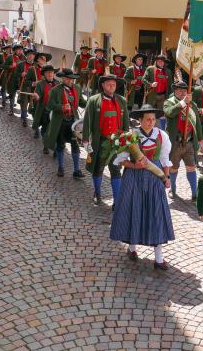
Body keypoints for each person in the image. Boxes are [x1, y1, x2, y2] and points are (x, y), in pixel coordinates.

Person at [110, 104, 174, 270]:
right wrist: (134, 165)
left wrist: (167, 177)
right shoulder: (131, 136)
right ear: (140, 120)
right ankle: (132, 248)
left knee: (156, 213)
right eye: (147, 119)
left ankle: (159, 259)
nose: (150, 122)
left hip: (154, 179)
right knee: (134, 209)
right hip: (134, 177)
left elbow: (165, 159)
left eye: (153, 119)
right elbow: (121, 161)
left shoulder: (162, 135)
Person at [82, 74, 129, 207]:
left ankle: (117, 201)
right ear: (103, 85)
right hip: (100, 142)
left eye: (113, 84)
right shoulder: (93, 100)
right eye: (108, 84)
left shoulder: (121, 100)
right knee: (98, 170)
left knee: (116, 171)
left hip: (116, 144)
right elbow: (87, 121)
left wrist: (126, 141)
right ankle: (97, 193)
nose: (111, 86)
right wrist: (85, 141)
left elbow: (125, 123)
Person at [164, 80, 203, 201]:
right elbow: (169, 113)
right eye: (180, 91)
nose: (183, 93)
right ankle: (173, 189)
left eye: (185, 91)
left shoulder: (192, 104)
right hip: (175, 142)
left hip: (189, 142)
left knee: (191, 167)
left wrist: (200, 139)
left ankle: (195, 193)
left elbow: (197, 123)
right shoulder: (169, 102)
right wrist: (182, 103)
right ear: (175, 91)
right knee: (173, 168)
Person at [44, 69, 86, 179]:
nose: (70, 81)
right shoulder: (55, 90)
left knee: (75, 145)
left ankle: (77, 170)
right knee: (61, 145)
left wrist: (90, 104)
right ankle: (61, 167)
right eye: (67, 79)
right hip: (60, 122)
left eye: (71, 79)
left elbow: (82, 102)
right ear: (62, 79)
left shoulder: (77, 88)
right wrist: (61, 107)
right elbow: (49, 105)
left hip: (73, 122)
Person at [30, 65, 58, 142]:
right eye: (47, 72)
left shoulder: (58, 83)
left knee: (54, 128)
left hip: (55, 110)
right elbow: (38, 95)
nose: (50, 74)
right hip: (44, 110)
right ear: (44, 74)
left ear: (53, 73)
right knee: (45, 128)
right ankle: (45, 143)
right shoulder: (40, 84)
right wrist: (36, 96)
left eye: (51, 72)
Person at [143, 54, 172, 127]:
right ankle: (148, 127)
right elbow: (143, 79)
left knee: (161, 113)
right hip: (152, 95)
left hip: (163, 96)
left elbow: (170, 85)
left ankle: (161, 129)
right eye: (159, 61)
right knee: (149, 112)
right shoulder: (150, 69)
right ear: (156, 61)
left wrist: (169, 97)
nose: (160, 62)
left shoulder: (168, 71)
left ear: (164, 62)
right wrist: (150, 84)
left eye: (162, 61)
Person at [13, 48, 37, 126]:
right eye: (28, 55)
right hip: (23, 87)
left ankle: (35, 122)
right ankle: (24, 120)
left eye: (32, 55)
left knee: (33, 105)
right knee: (24, 104)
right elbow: (15, 75)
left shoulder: (36, 65)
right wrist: (21, 74)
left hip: (34, 88)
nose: (30, 56)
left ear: (34, 56)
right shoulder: (21, 64)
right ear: (26, 56)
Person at [3, 44, 25, 114]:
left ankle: (23, 112)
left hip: (21, 80)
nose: (20, 51)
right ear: (15, 50)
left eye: (21, 50)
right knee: (12, 95)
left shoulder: (24, 58)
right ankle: (11, 109)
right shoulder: (10, 57)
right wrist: (10, 66)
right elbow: (4, 66)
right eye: (18, 50)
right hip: (12, 79)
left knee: (22, 96)